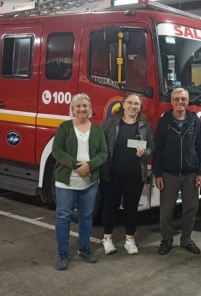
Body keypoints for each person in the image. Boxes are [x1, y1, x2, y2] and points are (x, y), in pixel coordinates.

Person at [52, 93, 108, 270]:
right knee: (63, 218)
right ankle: (63, 254)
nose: (82, 109)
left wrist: (90, 166)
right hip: (66, 184)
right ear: (73, 109)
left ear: (90, 109)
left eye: (85, 106)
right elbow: (57, 151)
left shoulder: (97, 129)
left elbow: (104, 153)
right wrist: (78, 166)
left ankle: (84, 249)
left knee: (86, 217)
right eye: (78, 106)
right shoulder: (64, 128)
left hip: (89, 184)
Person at [100, 92, 155, 255]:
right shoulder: (110, 122)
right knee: (110, 207)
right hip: (112, 175)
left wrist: (144, 153)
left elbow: (152, 147)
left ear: (140, 107)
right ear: (123, 104)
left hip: (135, 177)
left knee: (131, 209)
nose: (133, 106)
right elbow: (100, 145)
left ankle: (129, 240)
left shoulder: (145, 125)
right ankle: (107, 239)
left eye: (136, 104)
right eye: (130, 103)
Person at [153, 88, 201, 255]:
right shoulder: (164, 121)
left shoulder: (194, 120)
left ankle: (186, 239)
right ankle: (166, 240)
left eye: (183, 99)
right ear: (171, 102)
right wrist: (158, 174)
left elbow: (200, 148)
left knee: (191, 208)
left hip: (191, 174)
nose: (179, 102)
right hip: (169, 174)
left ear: (187, 101)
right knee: (166, 210)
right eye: (176, 99)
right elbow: (158, 150)